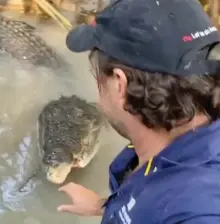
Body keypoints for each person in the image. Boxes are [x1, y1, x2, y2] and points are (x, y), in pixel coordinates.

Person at [57, 0, 220, 223]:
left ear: (120, 84)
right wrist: (107, 206)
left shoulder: (198, 211)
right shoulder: (169, 137)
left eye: (98, 80)